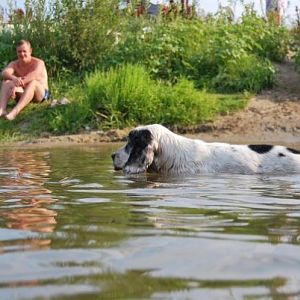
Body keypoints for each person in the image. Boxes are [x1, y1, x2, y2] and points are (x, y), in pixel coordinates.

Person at [0, 39, 49, 121]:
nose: (22, 54)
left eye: (24, 51)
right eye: (19, 52)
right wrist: (14, 79)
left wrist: (16, 84)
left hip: (40, 94)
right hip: (24, 94)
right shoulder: (14, 64)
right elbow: (4, 73)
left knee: (33, 83)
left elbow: (34, 75)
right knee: (6, 82)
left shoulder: (39, 63)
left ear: (30, 51)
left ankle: (14, 113)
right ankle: (2, 110)